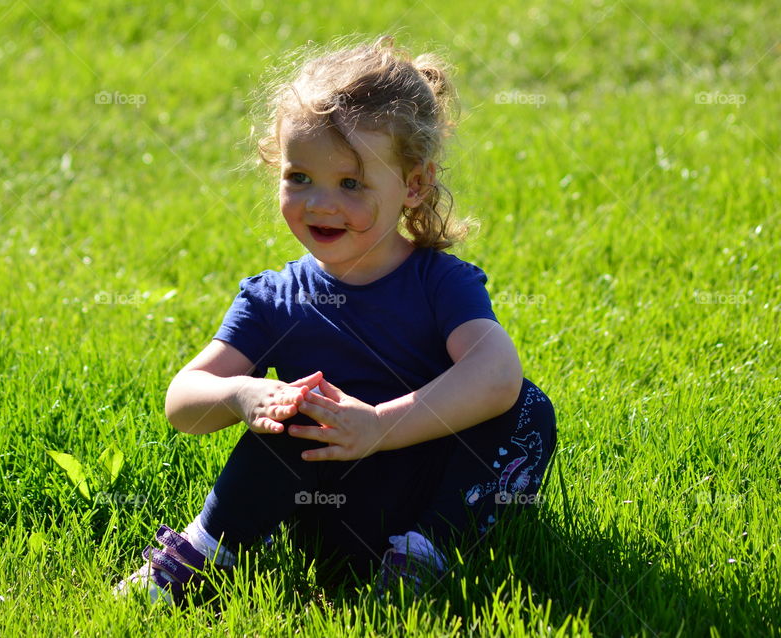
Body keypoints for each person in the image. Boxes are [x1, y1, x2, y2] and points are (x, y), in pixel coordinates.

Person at [114, 35, 557, 605]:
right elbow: (183, 400)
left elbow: (496, 372)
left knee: (525, 407)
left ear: (413, 186)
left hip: (433, 498)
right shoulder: (274, 297)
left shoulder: (439, 283)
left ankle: (421, 564)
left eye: (350, 184)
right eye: (300, 177)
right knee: (289, 410)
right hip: (331, 506)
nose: (320, 204)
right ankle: (201, 557)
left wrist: (380, 425)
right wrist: (244, 395)